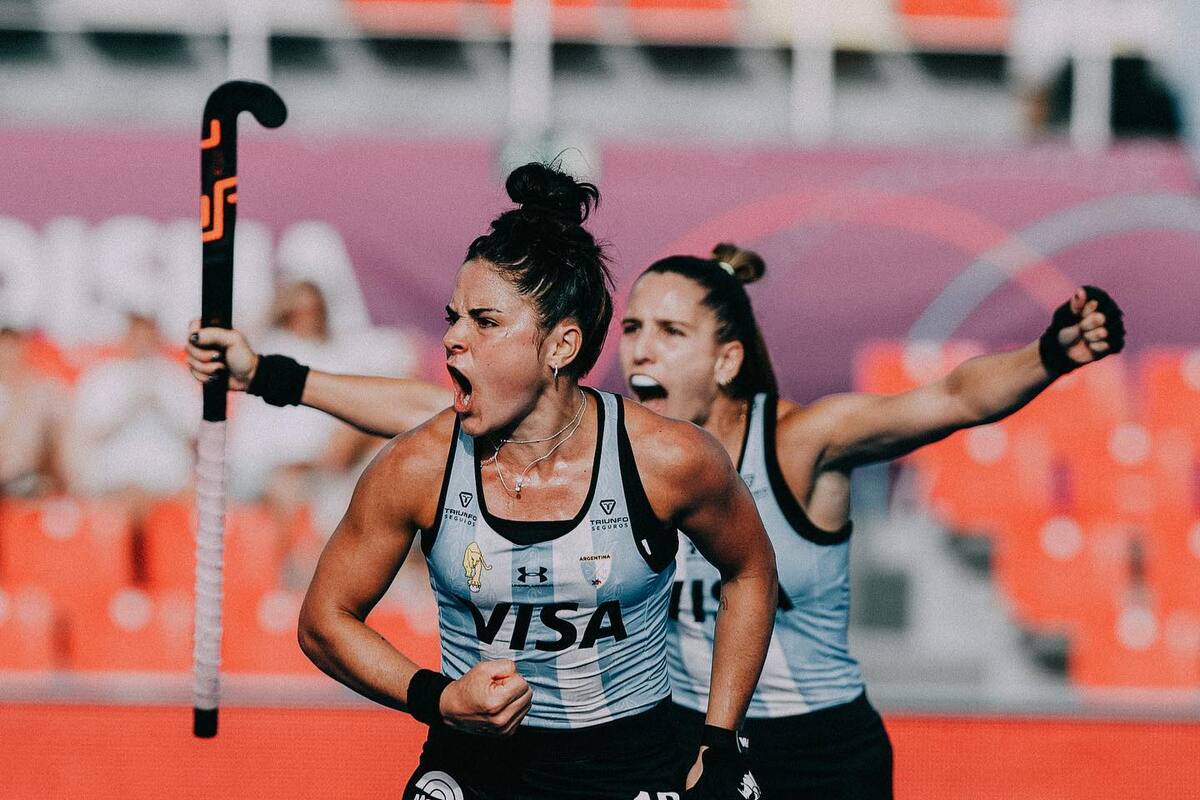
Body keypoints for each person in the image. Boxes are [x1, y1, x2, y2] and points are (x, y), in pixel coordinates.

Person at [190, 237, 1125, 798]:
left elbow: (951, 399)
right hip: (671, 736)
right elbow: (417, 413)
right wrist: (269, 375)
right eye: (631, 327)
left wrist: (1050, 351)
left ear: (723, 361)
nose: (637, 347)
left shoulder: (792, 444)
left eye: (668, 333)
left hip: (809, 745)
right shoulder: (583, 438)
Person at [195, 164, 778, 800]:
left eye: (484, 321)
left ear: (561, 346)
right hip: (476, 762)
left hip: (630, 762)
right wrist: (439, 699)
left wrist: (722, 740)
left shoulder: (670, 459)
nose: (451, 338)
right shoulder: (417, 466)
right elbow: (324, 621)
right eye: (453, 318)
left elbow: (750, 570)